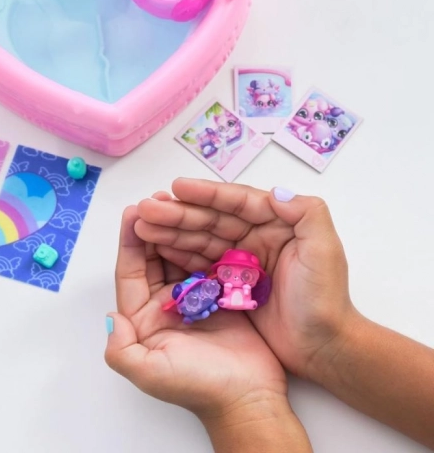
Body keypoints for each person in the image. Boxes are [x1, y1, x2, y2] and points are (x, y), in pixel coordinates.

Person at [104, 178, 434, 452]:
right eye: (230, 274)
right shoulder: (217, 286)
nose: (236, 279)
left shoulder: (249, 286)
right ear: (221, 274)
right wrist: (330, 343)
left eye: (243, 276)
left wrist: (242, 405)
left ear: (253, 277)